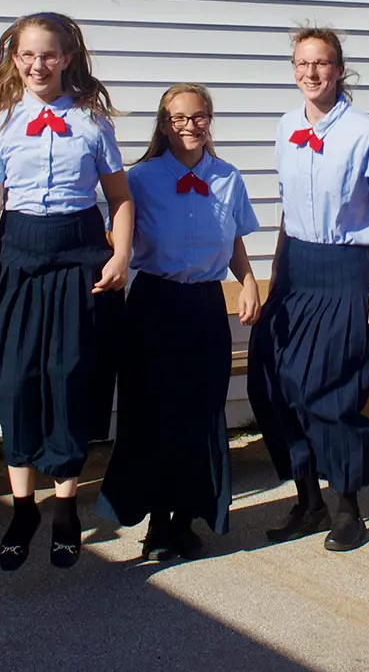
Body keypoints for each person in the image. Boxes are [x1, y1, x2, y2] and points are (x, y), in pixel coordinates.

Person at [0, 13, 132, 571]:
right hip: (18, 258)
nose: (37, 65)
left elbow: (120, 200)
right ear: (14, 59)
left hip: (79, 255)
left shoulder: (92, 123)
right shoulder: (2, 124)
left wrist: (121, 254)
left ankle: (65, 508)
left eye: (49, 55)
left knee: (70, 377)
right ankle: (23, 507)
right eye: (27, 55)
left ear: (67, 58)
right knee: (17, 378)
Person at [248, 26, 369, 553]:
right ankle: (307, 501)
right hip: (296, 268)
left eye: (322, 63)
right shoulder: (285, 126)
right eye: (302, 64)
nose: (311, 73)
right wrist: (276, 279)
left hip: (347, 270)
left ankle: (348, 509)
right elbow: (289, 212)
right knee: (273, 387)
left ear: (340, 70)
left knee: (329, 391)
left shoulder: (364, 130)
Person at [98, 84, 262, 561]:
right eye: (179, 118)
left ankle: (187, 517)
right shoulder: (142, 179)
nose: (189, 126)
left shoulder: (228, 177)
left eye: (199, 116)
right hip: (154, 305)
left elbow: (234, 241)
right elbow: (117, 230)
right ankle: (154, 521)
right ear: (164, 124)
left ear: (210, 120)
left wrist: (248, 280)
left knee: (199, 413)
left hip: (205, 307)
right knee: (153, 413)